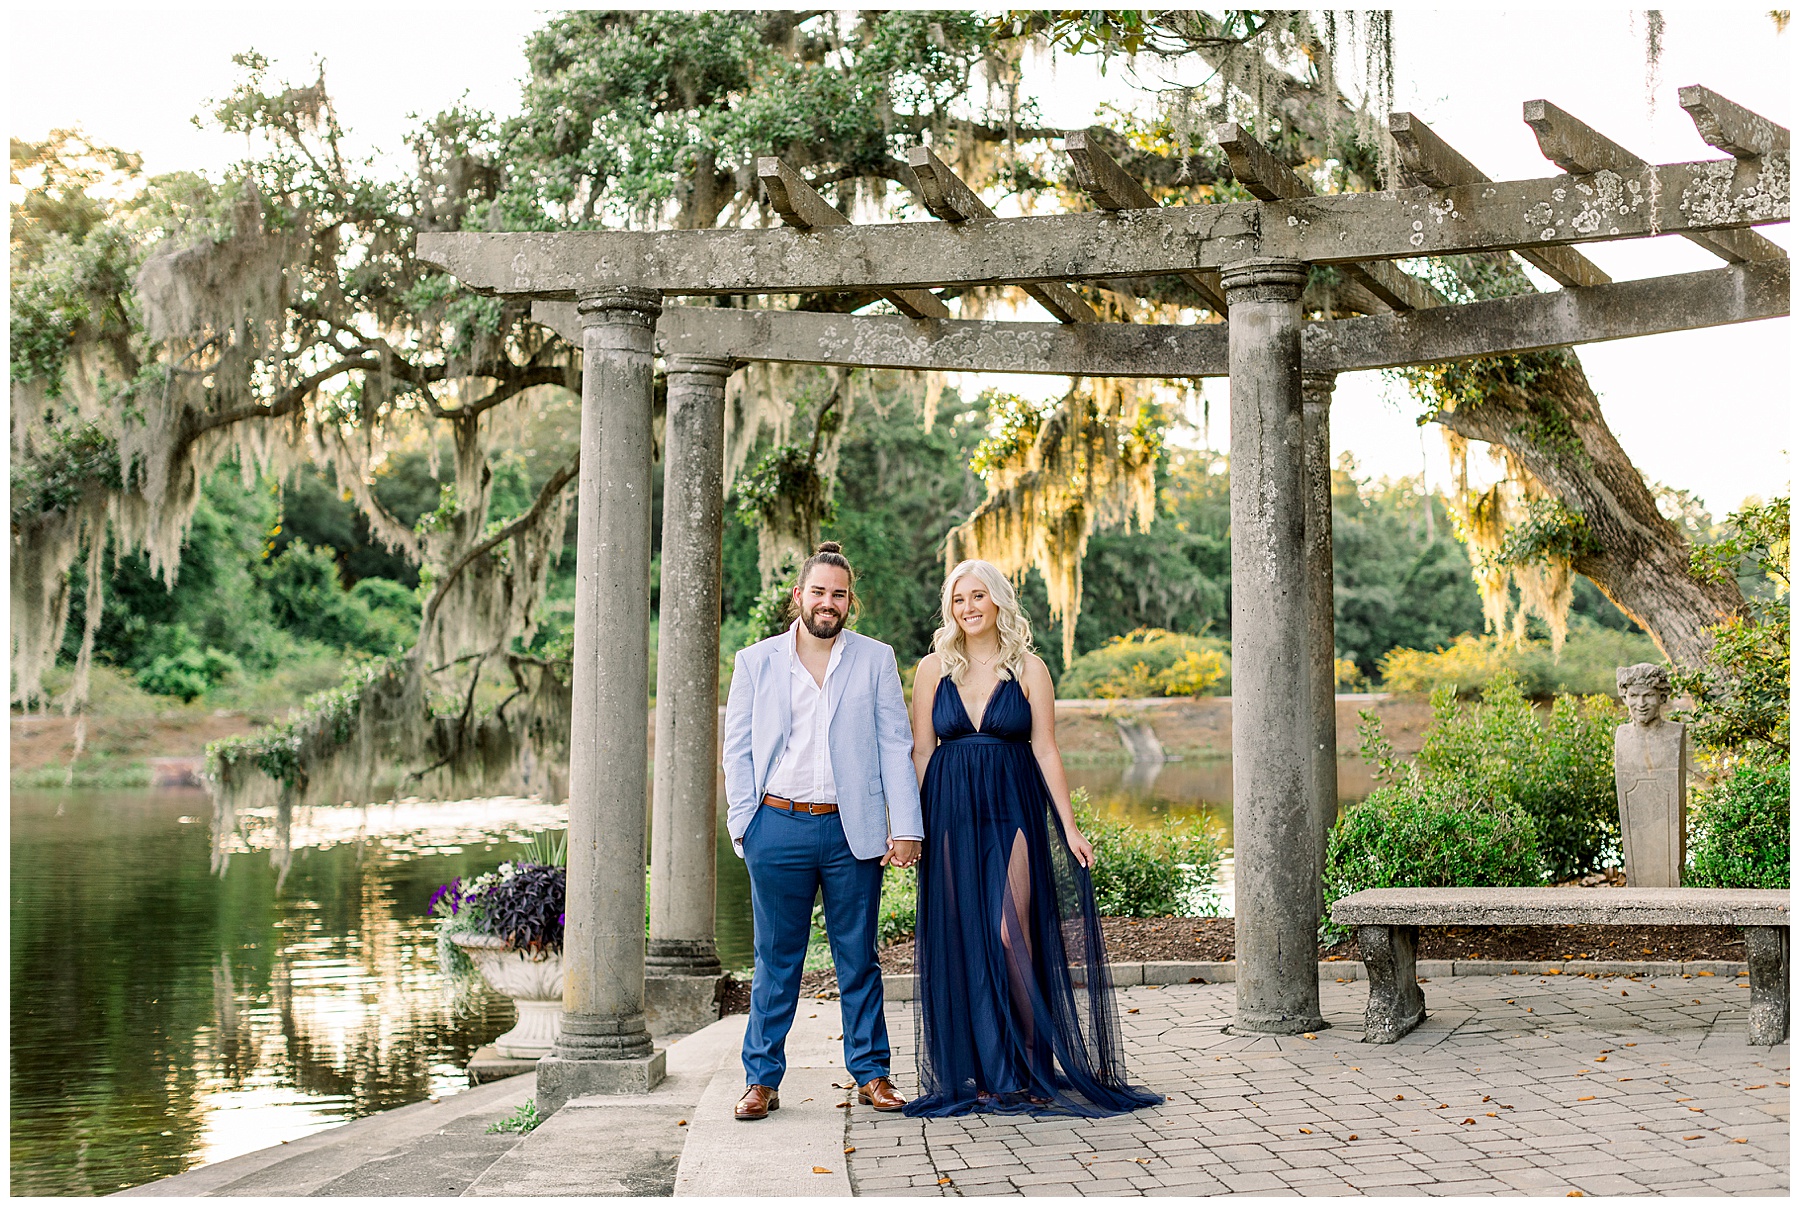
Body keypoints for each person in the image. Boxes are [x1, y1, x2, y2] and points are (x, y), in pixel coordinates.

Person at [904, 559, 1162, 1118]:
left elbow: (1045, 748)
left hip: (1013, 806)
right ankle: (982, 1069)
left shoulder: (1028, 667)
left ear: (998, 601)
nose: (967, 608)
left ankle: (1029, 1063)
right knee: (964, 933)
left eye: (978, 596)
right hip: (948, 808)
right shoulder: (932, 669)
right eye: (957, 599)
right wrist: (909, 825)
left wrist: (1069, 825)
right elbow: (922, 749)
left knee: (1009, 930)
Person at [721, 542, 924, 1121]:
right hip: (776, 825)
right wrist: (745, 825)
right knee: (775, 960)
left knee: (858, 958)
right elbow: (737, 750)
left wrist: (905, 826)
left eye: (838, 594)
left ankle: (872, 1075)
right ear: (799, 596)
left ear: (849, 601)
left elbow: (894, 745)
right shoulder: (756, 661)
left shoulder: (876, 659)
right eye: (818, 592)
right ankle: (761, 1080)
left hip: (849, 832)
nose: (827, 603)